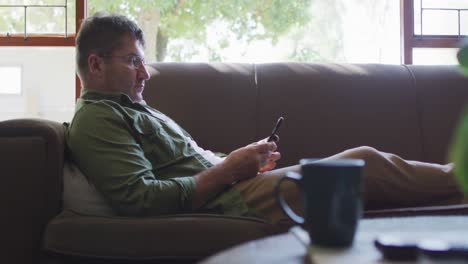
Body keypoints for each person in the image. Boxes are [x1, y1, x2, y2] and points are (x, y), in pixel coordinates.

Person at [66, 12, 462, 229]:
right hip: (227, 204)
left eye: (143, 61)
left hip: (235, 188)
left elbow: (187, 165)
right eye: (132, 61)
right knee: (364, 165)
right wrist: (228, 172)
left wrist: (240, 162)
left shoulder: (134, 109)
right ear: (96, 65)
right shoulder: (98, 118)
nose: (144, 73)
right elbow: (141, 199)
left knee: (364, 174)